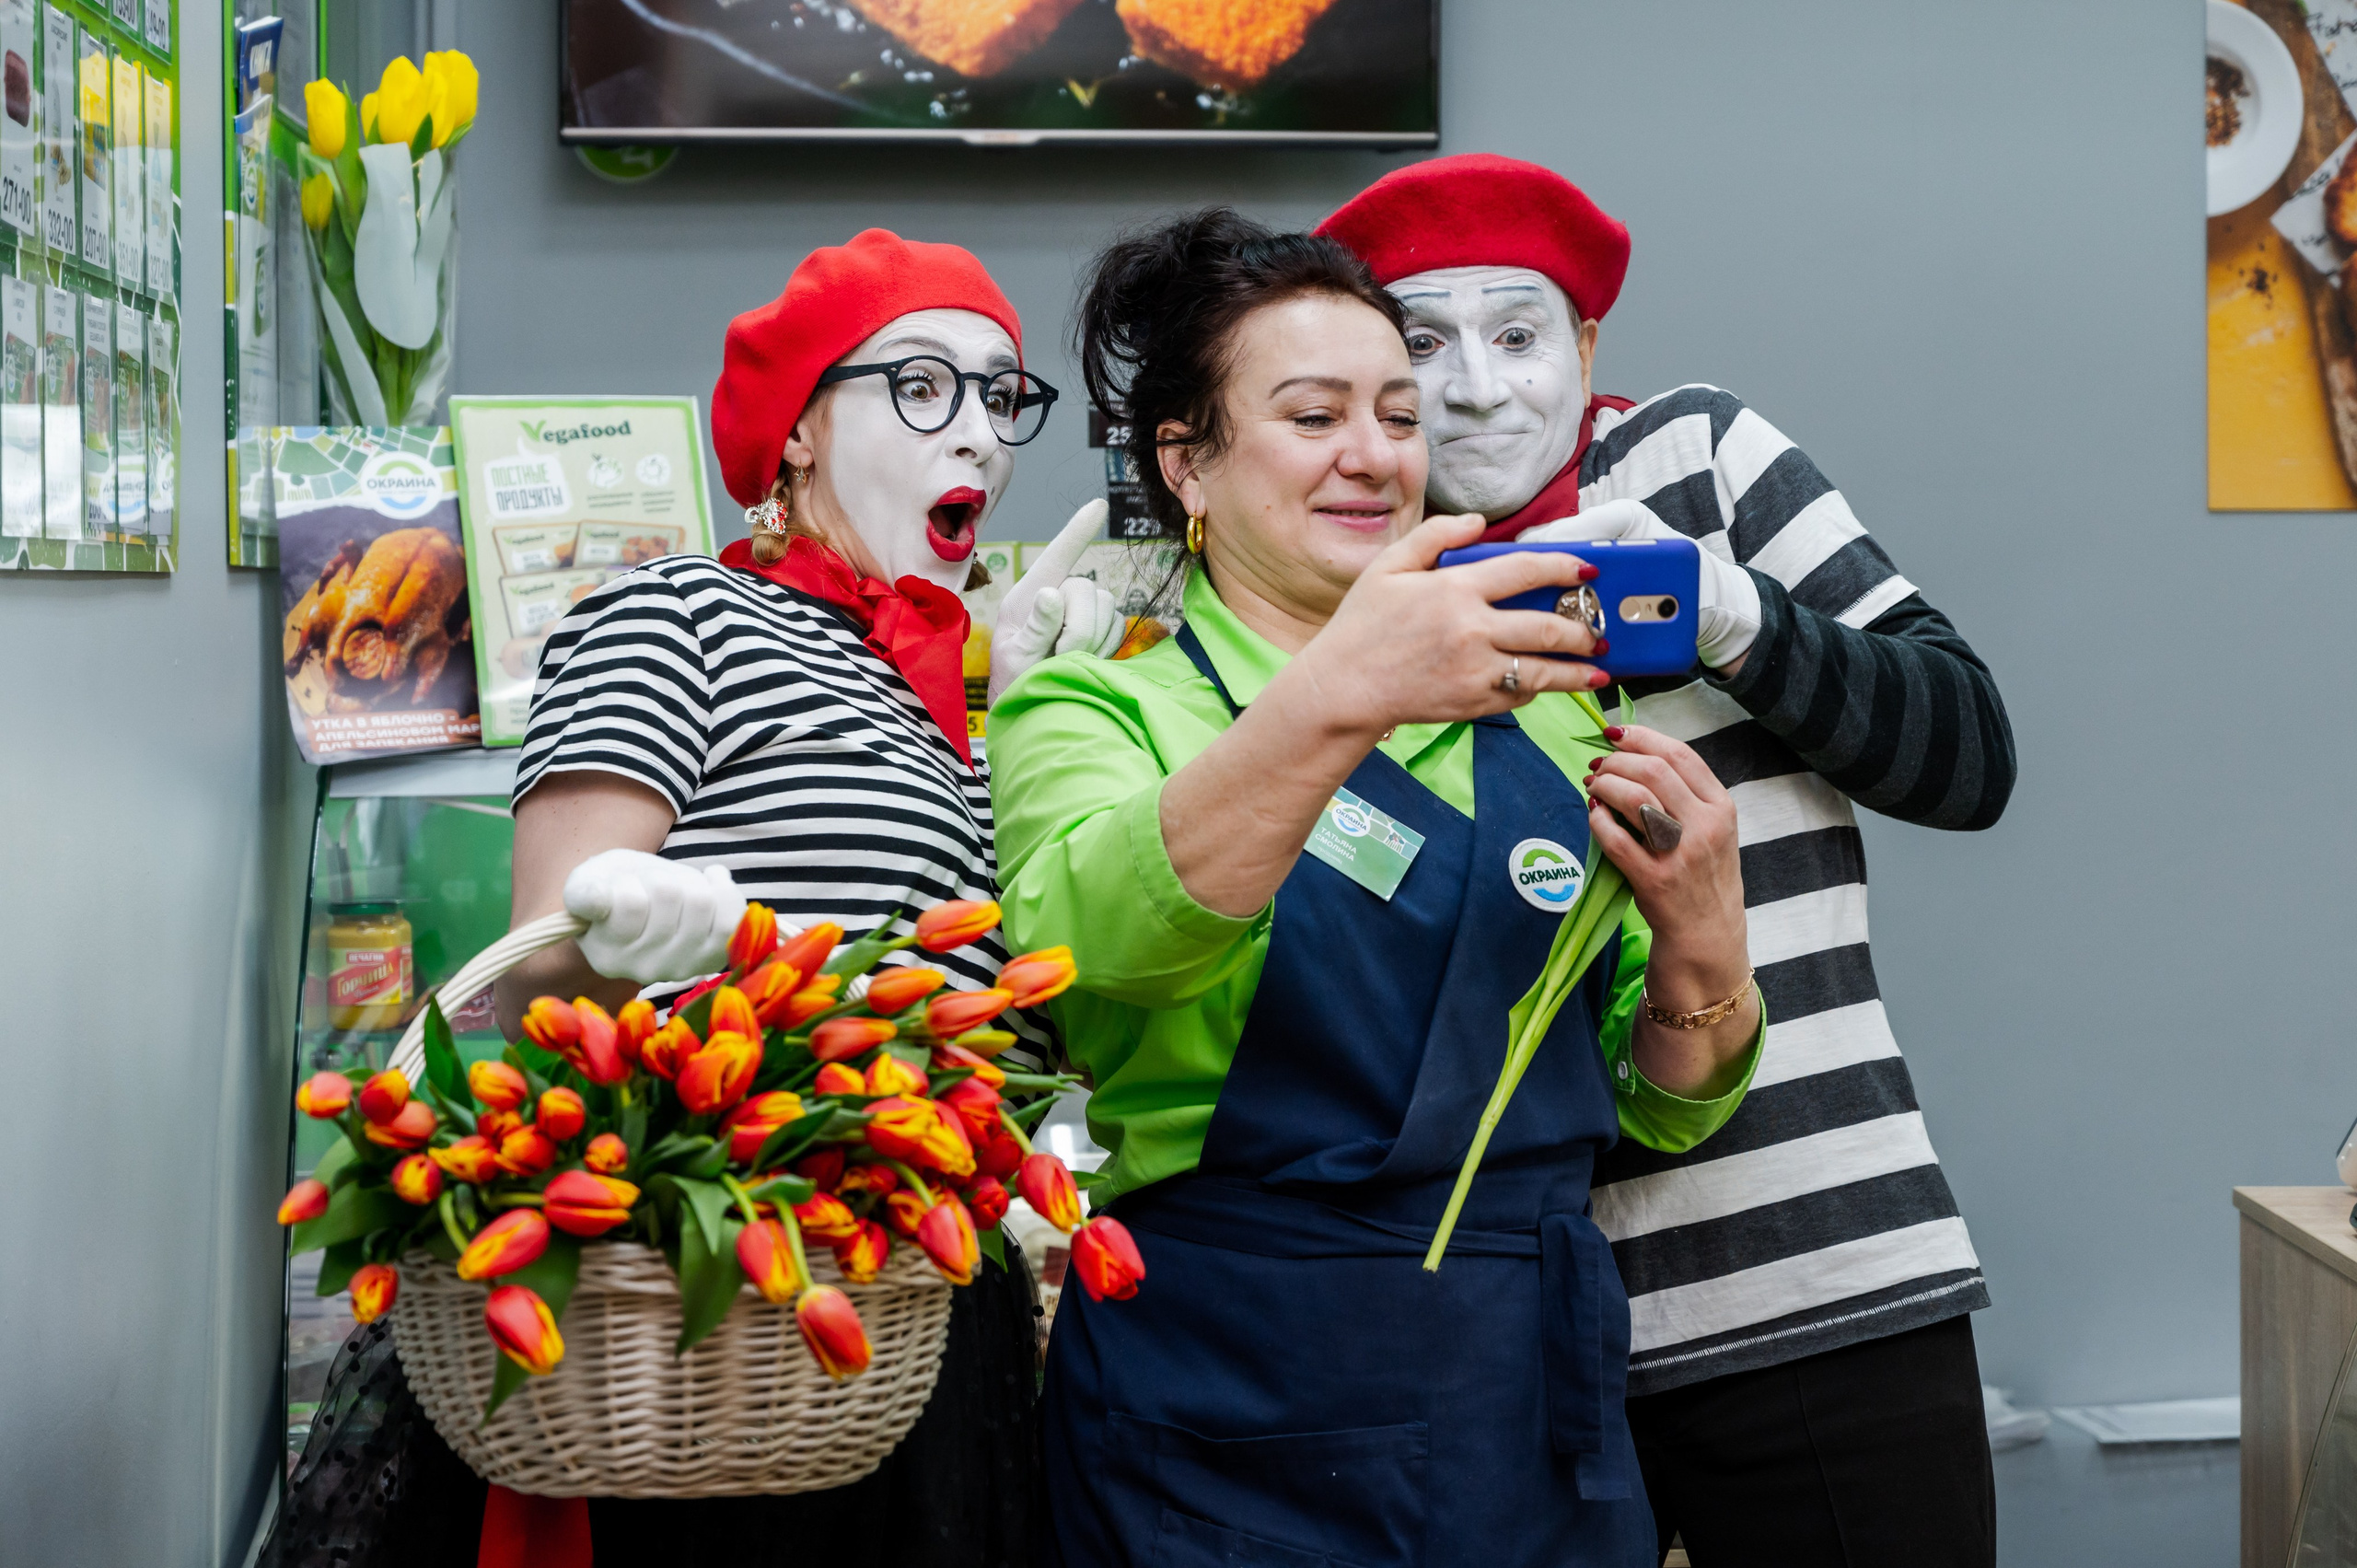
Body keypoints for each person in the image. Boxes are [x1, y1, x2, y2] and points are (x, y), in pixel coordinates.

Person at [989, 208, 1765, 1568]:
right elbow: (1087, 945)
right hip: (1225, 1391)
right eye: (1313, 415)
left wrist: (1706, 950)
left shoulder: (1548, 715)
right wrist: (1344, 690)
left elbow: (1658, 1105)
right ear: (1186, 463)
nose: (1375, 455)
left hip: (1523, 1396)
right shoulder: (1095, 708)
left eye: (1400, 417)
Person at [1314, 155, 2017, 1565]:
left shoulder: (1689, 460)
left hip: (1812, 1269)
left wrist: (1725, 607)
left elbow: (1969, 755)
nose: (1470, 390)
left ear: (1586, 347)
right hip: (1499, 1333)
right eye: (1419, 348)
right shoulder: (1344, 556)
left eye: (1517, 337)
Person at [483, 228, 1056, 1565]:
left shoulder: (964, 686)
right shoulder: (672, 616)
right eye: (923, 387)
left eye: (1001, 393)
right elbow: (531, 979)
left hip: (930, 1311)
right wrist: (629, 944)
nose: (975, 432)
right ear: (798, 432)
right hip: (716, 1324)